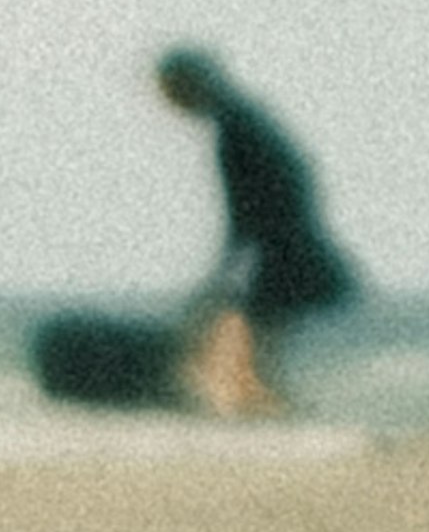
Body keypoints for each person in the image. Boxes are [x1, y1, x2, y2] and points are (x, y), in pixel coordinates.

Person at [152, 51, 358, 413]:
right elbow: (295, 176)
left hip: (280, 244)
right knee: (249, 326)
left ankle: (258, 407)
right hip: (283, 241)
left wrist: (234, 260)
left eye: (171, 93)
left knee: (242, 322)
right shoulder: (243, 119)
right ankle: (263, 406)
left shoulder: (236, 128)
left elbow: (250, 209)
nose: (171, 105)